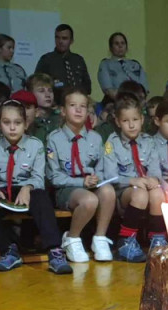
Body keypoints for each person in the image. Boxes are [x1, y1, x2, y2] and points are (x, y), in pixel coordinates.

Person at [0, 100, 71, 275]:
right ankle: (9, 250)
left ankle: (55, 251)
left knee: (42, 199)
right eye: (6, 122)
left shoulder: (35, 145)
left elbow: (39, 177)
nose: (12, 128)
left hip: (27, 189)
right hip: (2, 189)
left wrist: (27, 188)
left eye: (17, 123)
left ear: (25, 124)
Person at [46, 87, 117, 262]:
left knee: (108, 191)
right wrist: (81, 183)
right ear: (63, 111)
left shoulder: (95, 138)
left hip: (90, 184)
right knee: (89, 200)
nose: (78, 110)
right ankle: (72, 238)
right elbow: (54, 177)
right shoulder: (54, 138)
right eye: (73, 105)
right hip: (67, 189)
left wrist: (97, 178)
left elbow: (101, 168)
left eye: (83, 106)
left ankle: (99, 239)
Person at [104, 94, 166, 262]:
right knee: (140, 194)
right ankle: (126, 241)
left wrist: (153, 180)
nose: (131, 125)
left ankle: (157, 239)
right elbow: (110, 176)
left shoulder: (148, 141)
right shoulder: (113, 142)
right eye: (125, 121)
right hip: (123, 192)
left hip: (144, 186)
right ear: (118, 122)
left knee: (158, 193)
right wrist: (133, 181)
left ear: (142, 119)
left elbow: (155, 169)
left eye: (135, 119)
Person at [35, 24, 91, 96]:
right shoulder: (46, 59)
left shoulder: (78, 60)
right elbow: (37, 84)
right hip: (55, 103)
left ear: (71, 41)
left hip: (77, 102)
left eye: (64, 38)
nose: (60, 41)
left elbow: (87, 87)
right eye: (57, 38)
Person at [98, 32, 148, 100]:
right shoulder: (105, 64)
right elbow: (109, 90)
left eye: (122, 43)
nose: (120, 46)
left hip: (138, 102)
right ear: (111, 47)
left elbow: (144, 90)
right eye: (116, 43)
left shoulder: (136, 64)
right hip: (116, 103)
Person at [27, 73, 58, 145]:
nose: (47, 95)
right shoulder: (28, 120)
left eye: (50, 90)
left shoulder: (59, 118)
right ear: (31, 94)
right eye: (41, 91)